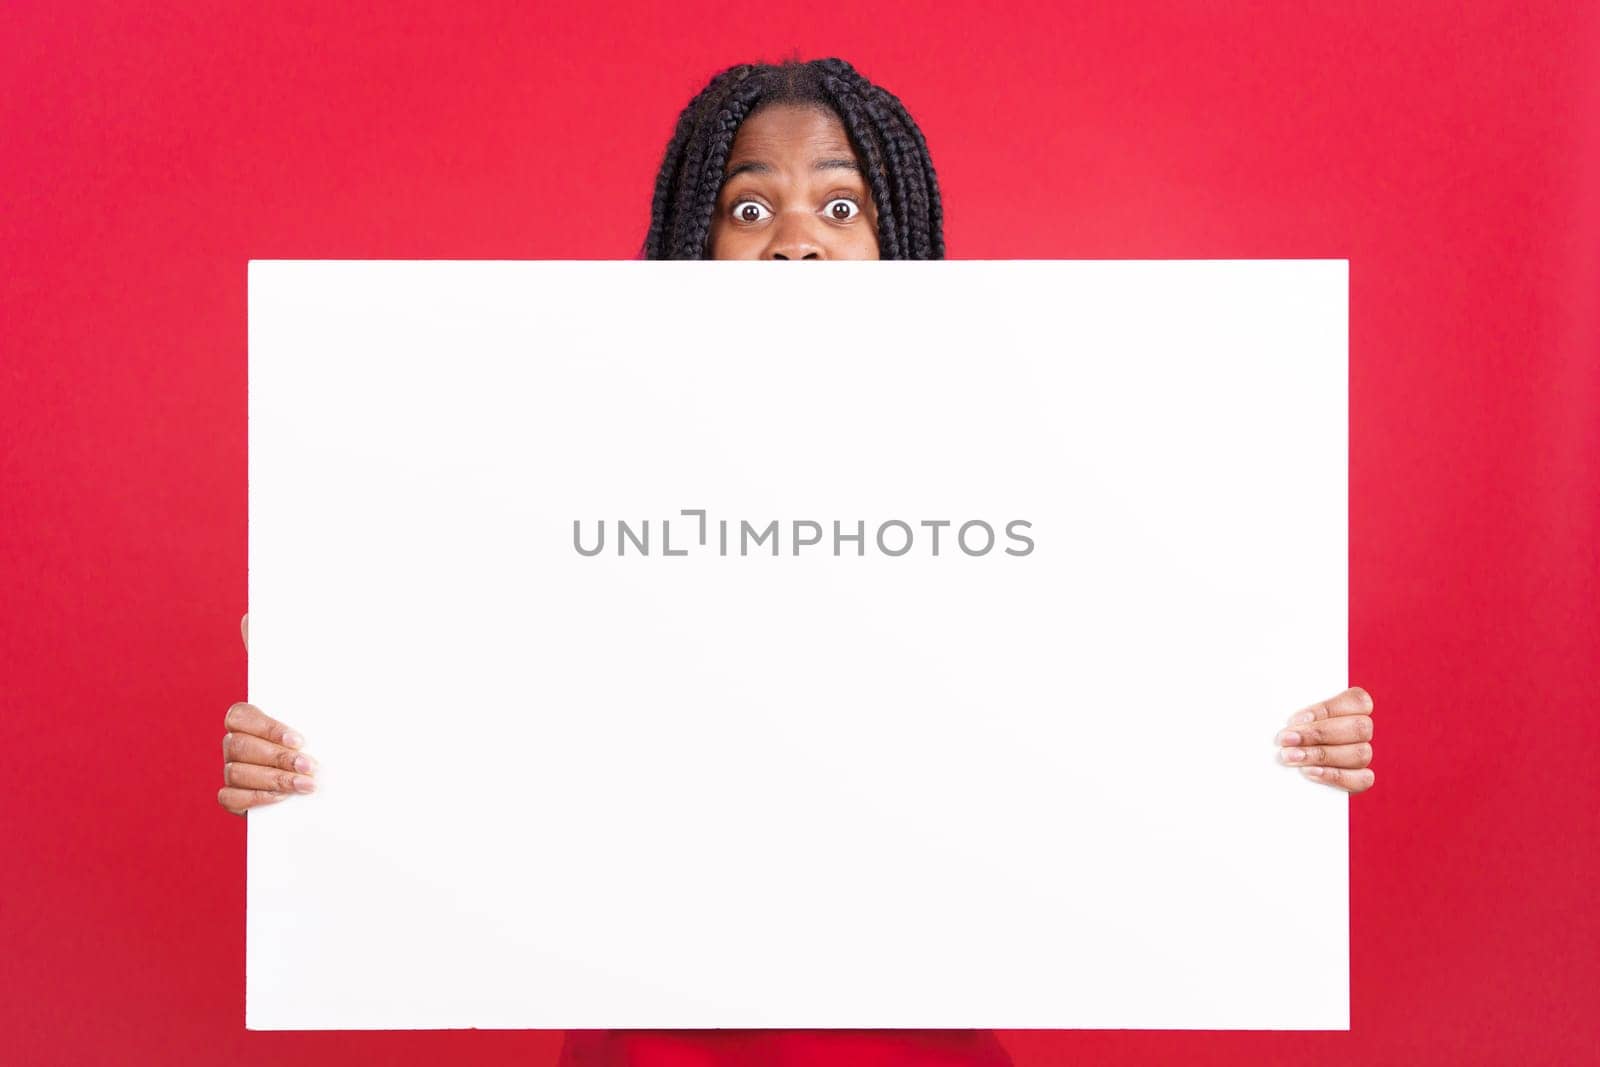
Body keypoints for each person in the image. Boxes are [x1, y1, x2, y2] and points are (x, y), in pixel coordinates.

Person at [218, 58, 1377, 1067]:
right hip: (648, 1041)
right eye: (745, 207)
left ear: (897, 241)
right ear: (691, 242)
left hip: (918, 1045)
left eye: (840, 203)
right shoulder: (561, 468)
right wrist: (311, 734)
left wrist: (1271, 744)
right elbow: (468, 703)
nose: (797, 239)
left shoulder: (1014, 472)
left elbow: (1104, 699)